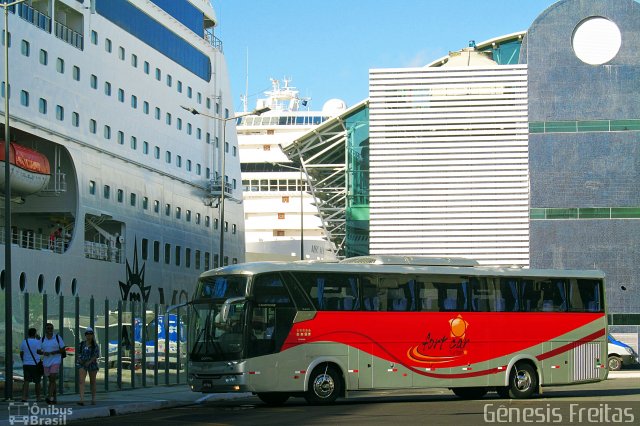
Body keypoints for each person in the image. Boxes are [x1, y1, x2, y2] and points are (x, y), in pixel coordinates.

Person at [39, 323, 65, 404]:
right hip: (46, 362)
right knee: (51, 380)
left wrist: (55, 352)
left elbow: (63, 349)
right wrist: (43, 353)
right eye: (48, 328)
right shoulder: (42, 339)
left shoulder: (57, 337)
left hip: (56, 360)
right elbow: (37, 350)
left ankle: (49, 397)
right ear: (45, 330)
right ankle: (55, 398)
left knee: (52, 378)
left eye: (51, 328)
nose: (50, 330)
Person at [76, 327, 100, 405]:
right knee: (81, 381)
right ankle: (82, 399)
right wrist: (80, 360)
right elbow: (78, 353)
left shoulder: (95, 345)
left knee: (92, 382)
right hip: (82, 364)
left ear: (93, 335)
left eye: (90, 334)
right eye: (87, 334)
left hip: (92, 364)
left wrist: (89, 362)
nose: (89, 336)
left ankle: (93, 399)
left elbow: (96, 355)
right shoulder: (82, 344)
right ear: (85, 335)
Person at [19, 328, 43, 402]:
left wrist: (24, 360)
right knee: (37, 382)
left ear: (28, 334)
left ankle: (24, 397)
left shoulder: (24, 342)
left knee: (26, 381)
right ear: (35, 334)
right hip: (36, 364)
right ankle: (38, 397)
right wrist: (40, 338)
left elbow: (21, 353)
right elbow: (42, 350)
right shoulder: (38, 342)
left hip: (26, 364)